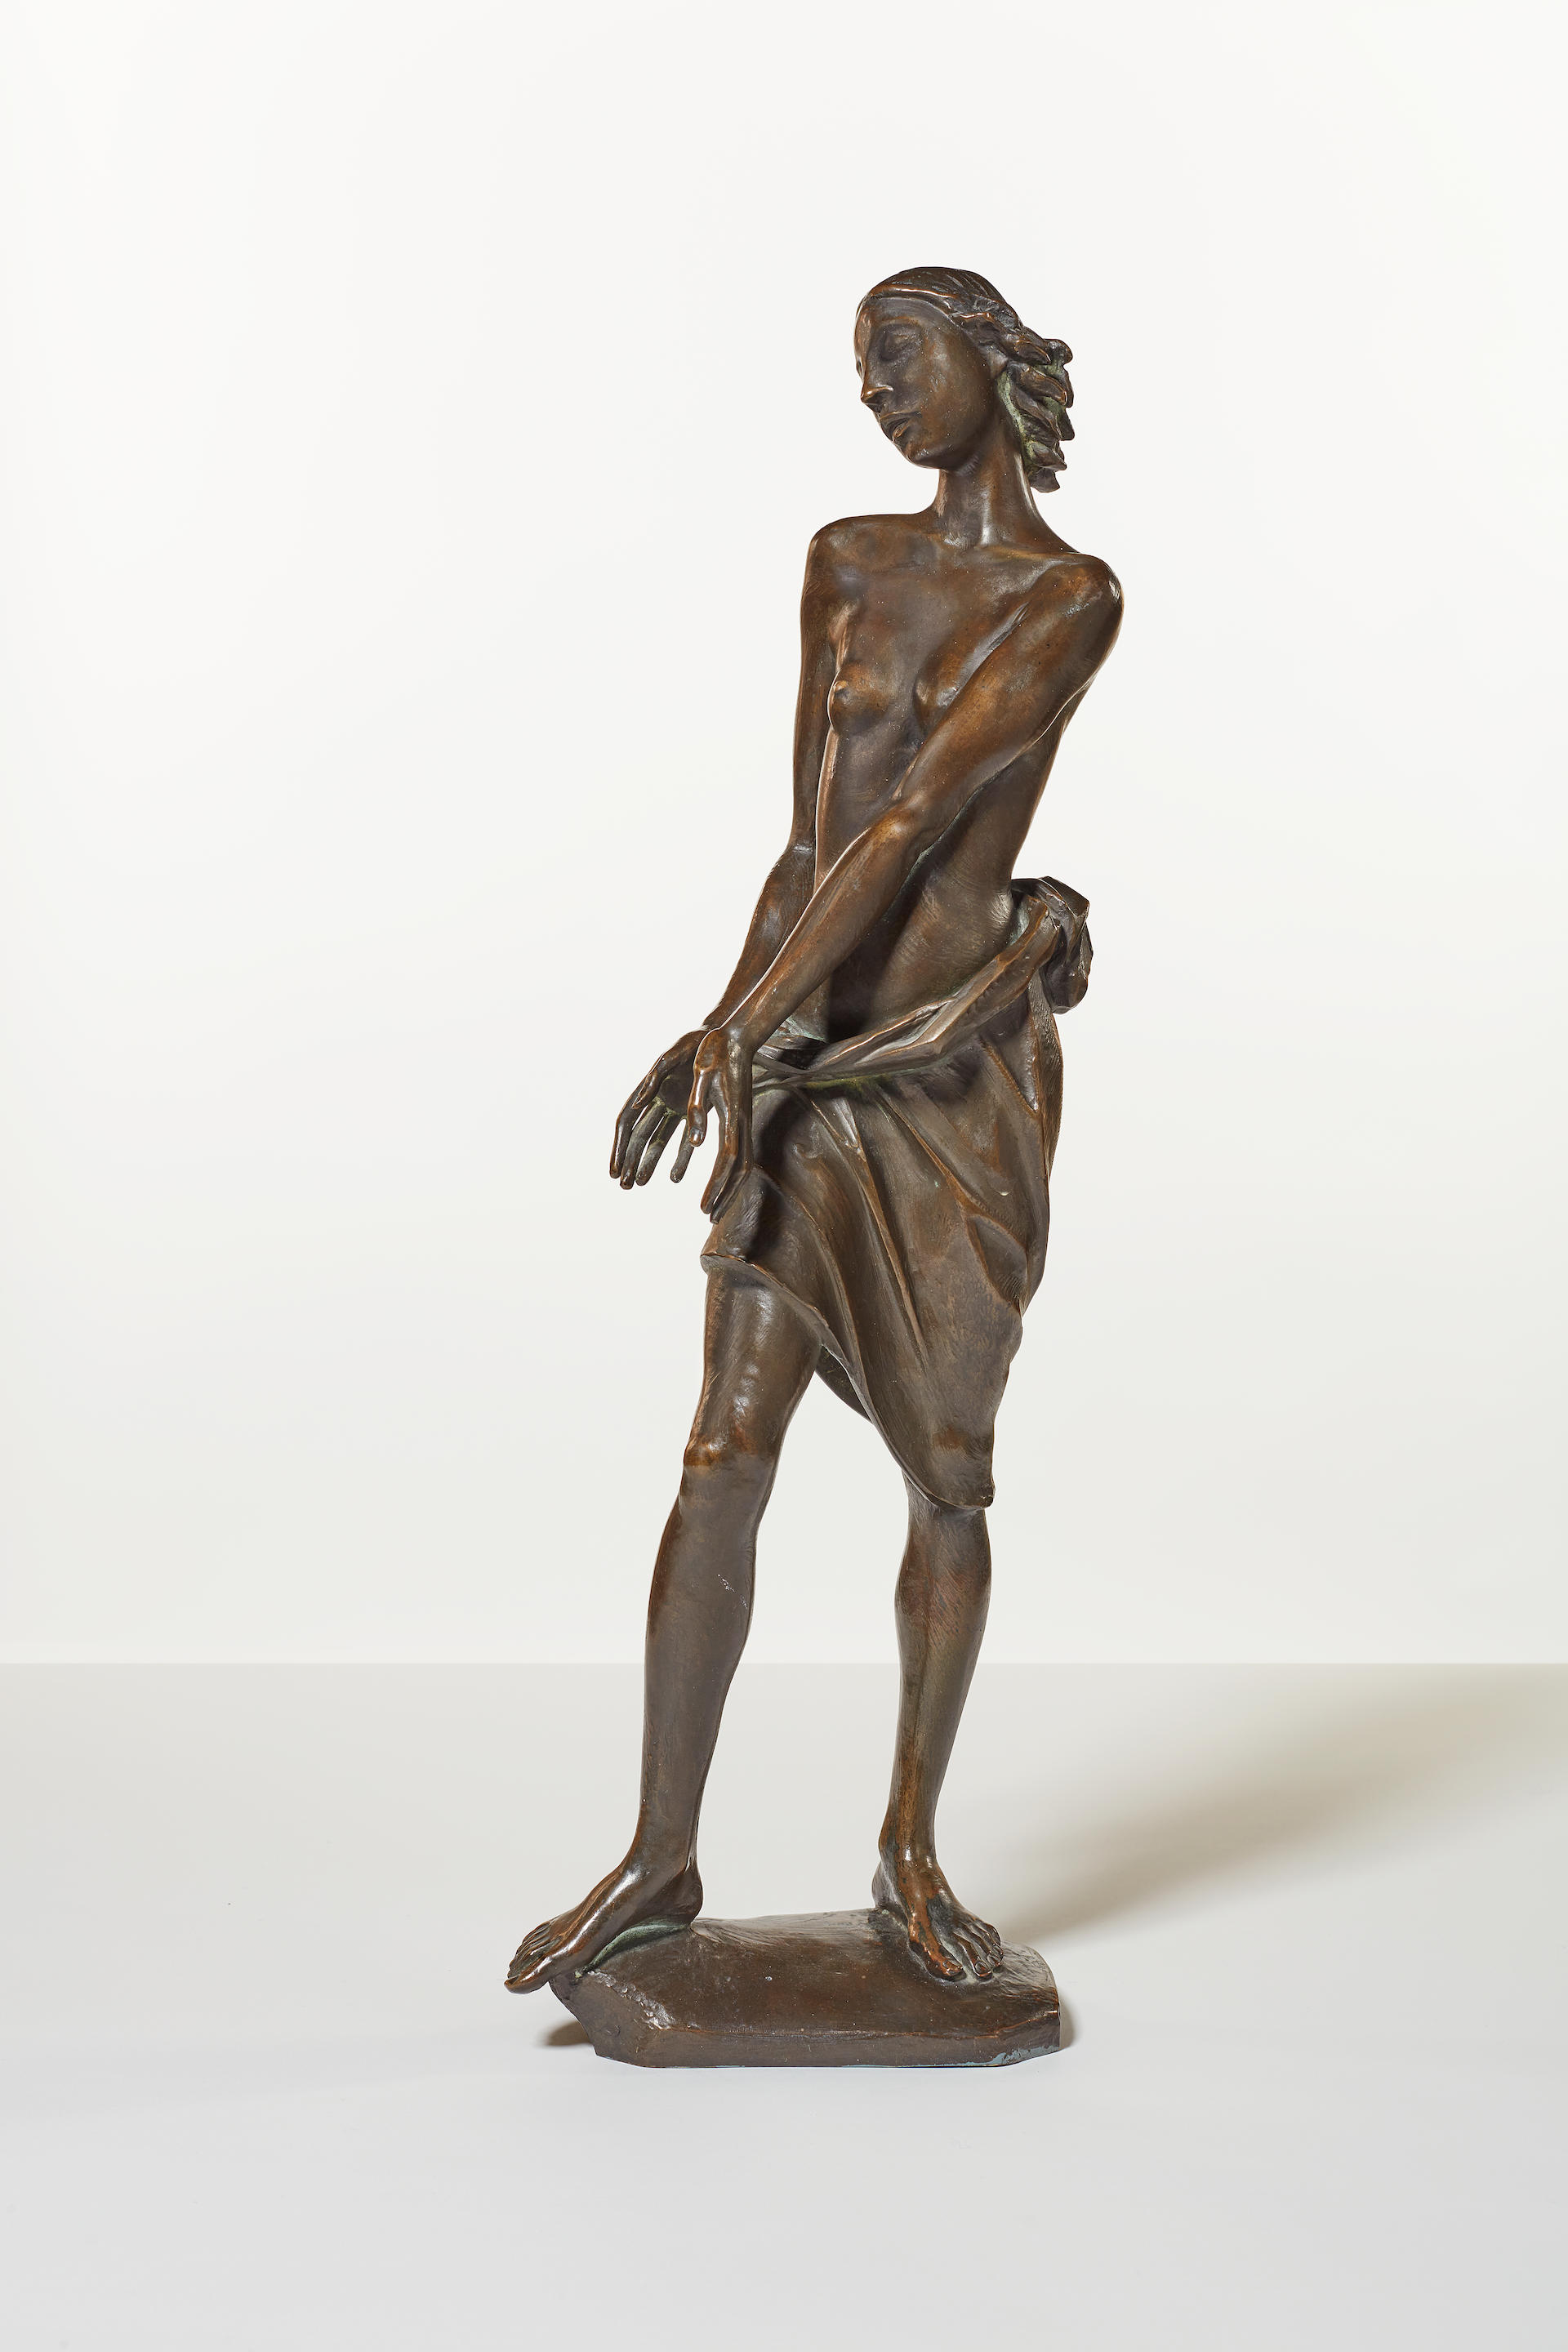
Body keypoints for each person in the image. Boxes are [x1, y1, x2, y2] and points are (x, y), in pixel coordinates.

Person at [506, 266, 1121, 1993]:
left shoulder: (1068, 595)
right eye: (861, 370)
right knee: (722, 1452)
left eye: (899, 356)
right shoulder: (846, 562)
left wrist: (740, 1023)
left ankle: (911, 1855)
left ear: (990, 360)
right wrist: (737, 1026)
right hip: (807, 1058)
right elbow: (810, 842)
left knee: (945, 1478)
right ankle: (658, 1858)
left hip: (949, 1084)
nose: (877, 392)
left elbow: (920, 819)